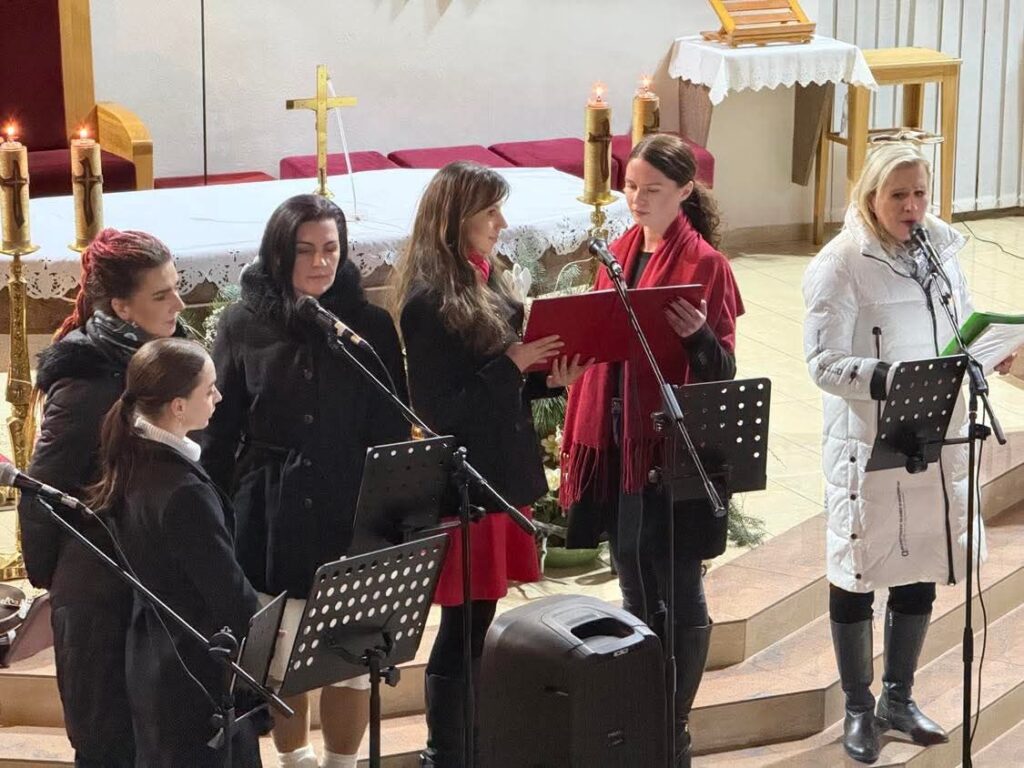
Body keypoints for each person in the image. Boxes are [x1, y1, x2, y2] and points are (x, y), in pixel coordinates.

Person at [802, 142, 1007, 764]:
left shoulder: (941, 251)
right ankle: (857, 708)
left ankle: (898, 698)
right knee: (860, 569)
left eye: (920, 193)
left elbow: (962, 323)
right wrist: (891, 378)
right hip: (869, 439)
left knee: (920, 557)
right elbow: (822, 362)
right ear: (871, 197)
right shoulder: (840, 263)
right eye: (899, 195)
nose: (912, 206)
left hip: (933, 430)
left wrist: (992, 352)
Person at [200, 194, 409, 768]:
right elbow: (220, 428)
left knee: (351, 663)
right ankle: (297, 763)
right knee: (284, 658)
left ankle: (342, 763)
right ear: (278, 253)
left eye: (331, 249)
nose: (321, 262)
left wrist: (393, 515)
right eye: (306, 250)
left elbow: (392, 425)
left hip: (353, 509)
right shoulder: (243, 322)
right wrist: (211, 511)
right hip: (273, 512)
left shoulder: (368, 325)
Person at [392, 161, 588, 767]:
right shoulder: (427, 302)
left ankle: (472, 745)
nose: (501, 223)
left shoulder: (490, 279)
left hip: (498, 474)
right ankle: (446, 752)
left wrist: (548, 378)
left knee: (480, 624)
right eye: (490, 212)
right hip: (465, 486)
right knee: (462, 630)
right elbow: (439, 410)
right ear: (455, 220)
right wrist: (512, 365)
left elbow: (504, 386)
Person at [560, 134, 744, 768]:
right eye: (631, 187)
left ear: (685, 192)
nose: (636, 199)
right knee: (632, 575)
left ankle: (676, 723)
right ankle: (644, 707)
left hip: (673, 448)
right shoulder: (617, 252)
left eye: (652, 190)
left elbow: (723, 370)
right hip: (618, 443)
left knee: (678, 581)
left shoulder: (705, 264)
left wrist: (698, 340)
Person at [17, 228, 186, 768]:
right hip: (100, 594)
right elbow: (41, 489)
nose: (179, 303)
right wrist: (56, 580)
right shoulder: (87, 383)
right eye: (161, 294)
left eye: (176, 286)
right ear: (121, 307)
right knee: (110, 746)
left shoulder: (167, 361)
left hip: (152, 579)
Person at [88, 337, 262, 767]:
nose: (219, 397)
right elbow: (226, 590)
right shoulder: (182, 491)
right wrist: (262, 649)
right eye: (209, 389)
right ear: (178, 406)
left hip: (154, 658)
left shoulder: (134, 460)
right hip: (195, 669)